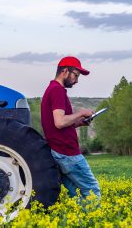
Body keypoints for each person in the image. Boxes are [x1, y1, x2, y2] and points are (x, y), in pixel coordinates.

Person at [41, 56, 101, 199]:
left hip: (59, 151)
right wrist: (80, 112)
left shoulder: (51, 89)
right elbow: (60, 122)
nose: (76, 80)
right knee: (92, 191)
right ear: (65, 71)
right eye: (75, 75)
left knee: (72, 196)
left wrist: (79, 122)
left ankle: (74, 220)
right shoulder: (57, 90)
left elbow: (59, 125)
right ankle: (91, 220)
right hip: (67, 152)